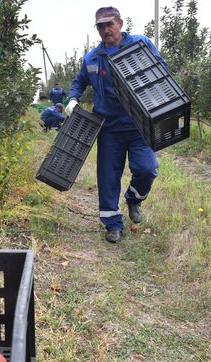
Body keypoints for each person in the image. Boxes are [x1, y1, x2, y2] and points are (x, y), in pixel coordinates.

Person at [65, 6, 165, 243]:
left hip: (139, 123)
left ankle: (134, 198)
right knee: (108, 176)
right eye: (101, 26)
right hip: (109, 127)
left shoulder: (140, 45)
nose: (106, 30)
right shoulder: (92, 58)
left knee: (146, 168)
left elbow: (162, 69)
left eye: (110, 24)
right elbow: (79, 82)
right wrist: (72, 98)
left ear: (120, 23)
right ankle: (112, 224)